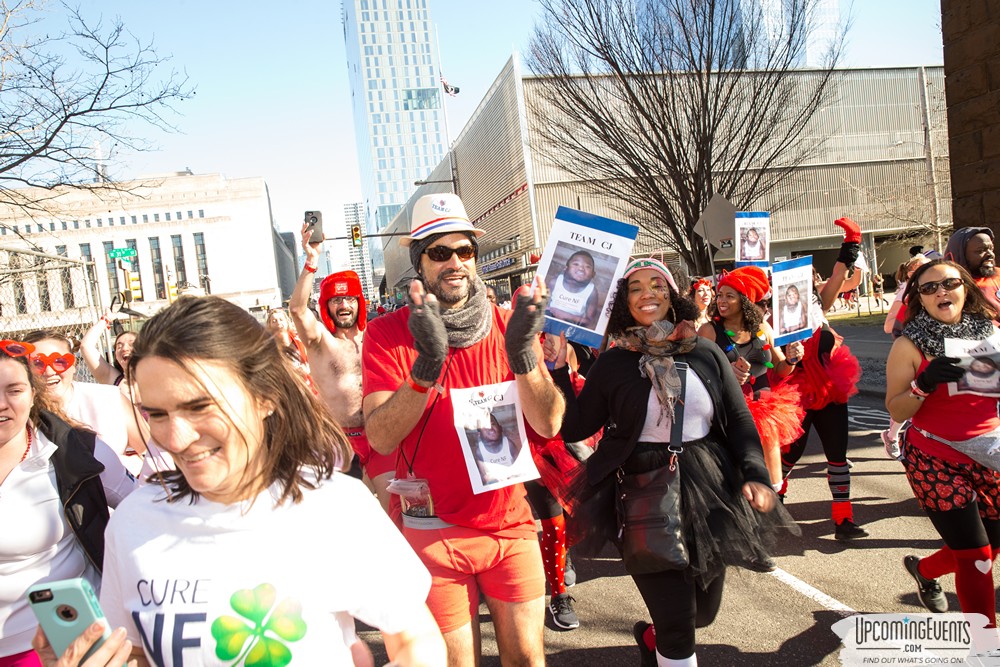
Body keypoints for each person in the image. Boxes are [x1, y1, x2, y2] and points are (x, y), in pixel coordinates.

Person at [71, 296, 446, 666]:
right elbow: (135, 652)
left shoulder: (336, 506)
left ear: (265, 396)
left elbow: (415, 639)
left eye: (200, 407)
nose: (175, 439)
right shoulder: (133, 521)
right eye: (156, 413)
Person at [362, 192, 565, 666]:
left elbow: (550, 422)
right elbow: (380, 437)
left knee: (529, 661)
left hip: (509, 523)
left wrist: (524, 357)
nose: (455, 262)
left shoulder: (507, 324)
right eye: (439, 252)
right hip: (433, 530)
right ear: (420, 263)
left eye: (465, 251)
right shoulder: (388, 334)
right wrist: (426, 366)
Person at [551, 257, 784, 666]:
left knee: (702, 614)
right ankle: (668, 643)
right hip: (643, 490)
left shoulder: (705, 352)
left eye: (656, 284)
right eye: (636, 287)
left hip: (711, 486)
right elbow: (572, 428)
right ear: (625, 301)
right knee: (679, 631)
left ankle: (652, 638)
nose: (647, 294)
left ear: (671, 294)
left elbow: (740, 418)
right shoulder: (613, 363)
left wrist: (756, 474)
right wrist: (557, 374)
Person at [0, 339, 134, 666]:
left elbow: (142, 508)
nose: (1, 404)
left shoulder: (76, 451)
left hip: (59, 645)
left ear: (33, 394)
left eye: (14, 390)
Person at [885, 259, 1000, 634]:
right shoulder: (908, 345)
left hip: (990, 451)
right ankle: (984, 649)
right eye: (929, 287)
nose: (941, 292)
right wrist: (924, 384)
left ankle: (924, 569)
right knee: (977, 559)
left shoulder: (993, 333)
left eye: (949, 283)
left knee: (992, 547)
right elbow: (897, 407)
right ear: (918, 297)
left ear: (966, 287)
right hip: (936, 456)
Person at [777, 217, 868, 541]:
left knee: (837, 455)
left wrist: (852, 240)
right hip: (796, 395)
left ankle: (843, 520)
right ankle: (776, 504)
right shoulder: (777, 320)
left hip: (830, 392)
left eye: (809, 279)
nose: (808, 283)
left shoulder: (821, 305)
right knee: (789, 455)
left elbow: (839, 273)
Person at [288, 234, 393, 507]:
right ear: (326, 305)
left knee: (392, 510)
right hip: (341, 443)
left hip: (380, 436)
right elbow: (298, 310)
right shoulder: (320, 341)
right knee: (351, 514)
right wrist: (311, 261)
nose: (343, 305)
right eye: (336, 300)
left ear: (359, 302)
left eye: (349, 299)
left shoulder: (376, 335)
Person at [698, 266, 805, 492]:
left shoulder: (762, 328)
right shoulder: (709, 331)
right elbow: (698, 372)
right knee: (735, 479)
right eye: (720, 295)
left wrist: (792, 359)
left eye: (729, 295)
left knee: (770, 482)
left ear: (744, 301)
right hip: (730, 411)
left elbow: (780, 369)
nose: (721, 300)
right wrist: (725, 371)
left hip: (765, 410)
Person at [22, 331, 148, 477]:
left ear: (73, 365)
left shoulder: (109, 398)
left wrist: (132, 464)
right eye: (37, 363)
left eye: (59, 361)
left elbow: (152, 453)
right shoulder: (19, 417)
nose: (49, 372)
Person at [945, 227, 1000, 316]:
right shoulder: (951, 287)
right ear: (961, 255)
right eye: (981, 250)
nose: (990, 254)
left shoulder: (998, 274)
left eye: (991, 249)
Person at [546, 249, 601, 329]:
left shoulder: (591, 291)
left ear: (593, 274)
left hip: (572, 327)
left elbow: (588, 320)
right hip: (550, 321)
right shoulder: (555, 282)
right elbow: (544, 305)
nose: (581, 268)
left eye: (587, 267)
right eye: (576, 264)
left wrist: (565, 315)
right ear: (566, 268)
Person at [79, 313, 136, 389]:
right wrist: (106, 319)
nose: (124, 348)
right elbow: (86, 345)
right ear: (116, 355)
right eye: (119, 346)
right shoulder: (114, 380)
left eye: (131, 344)